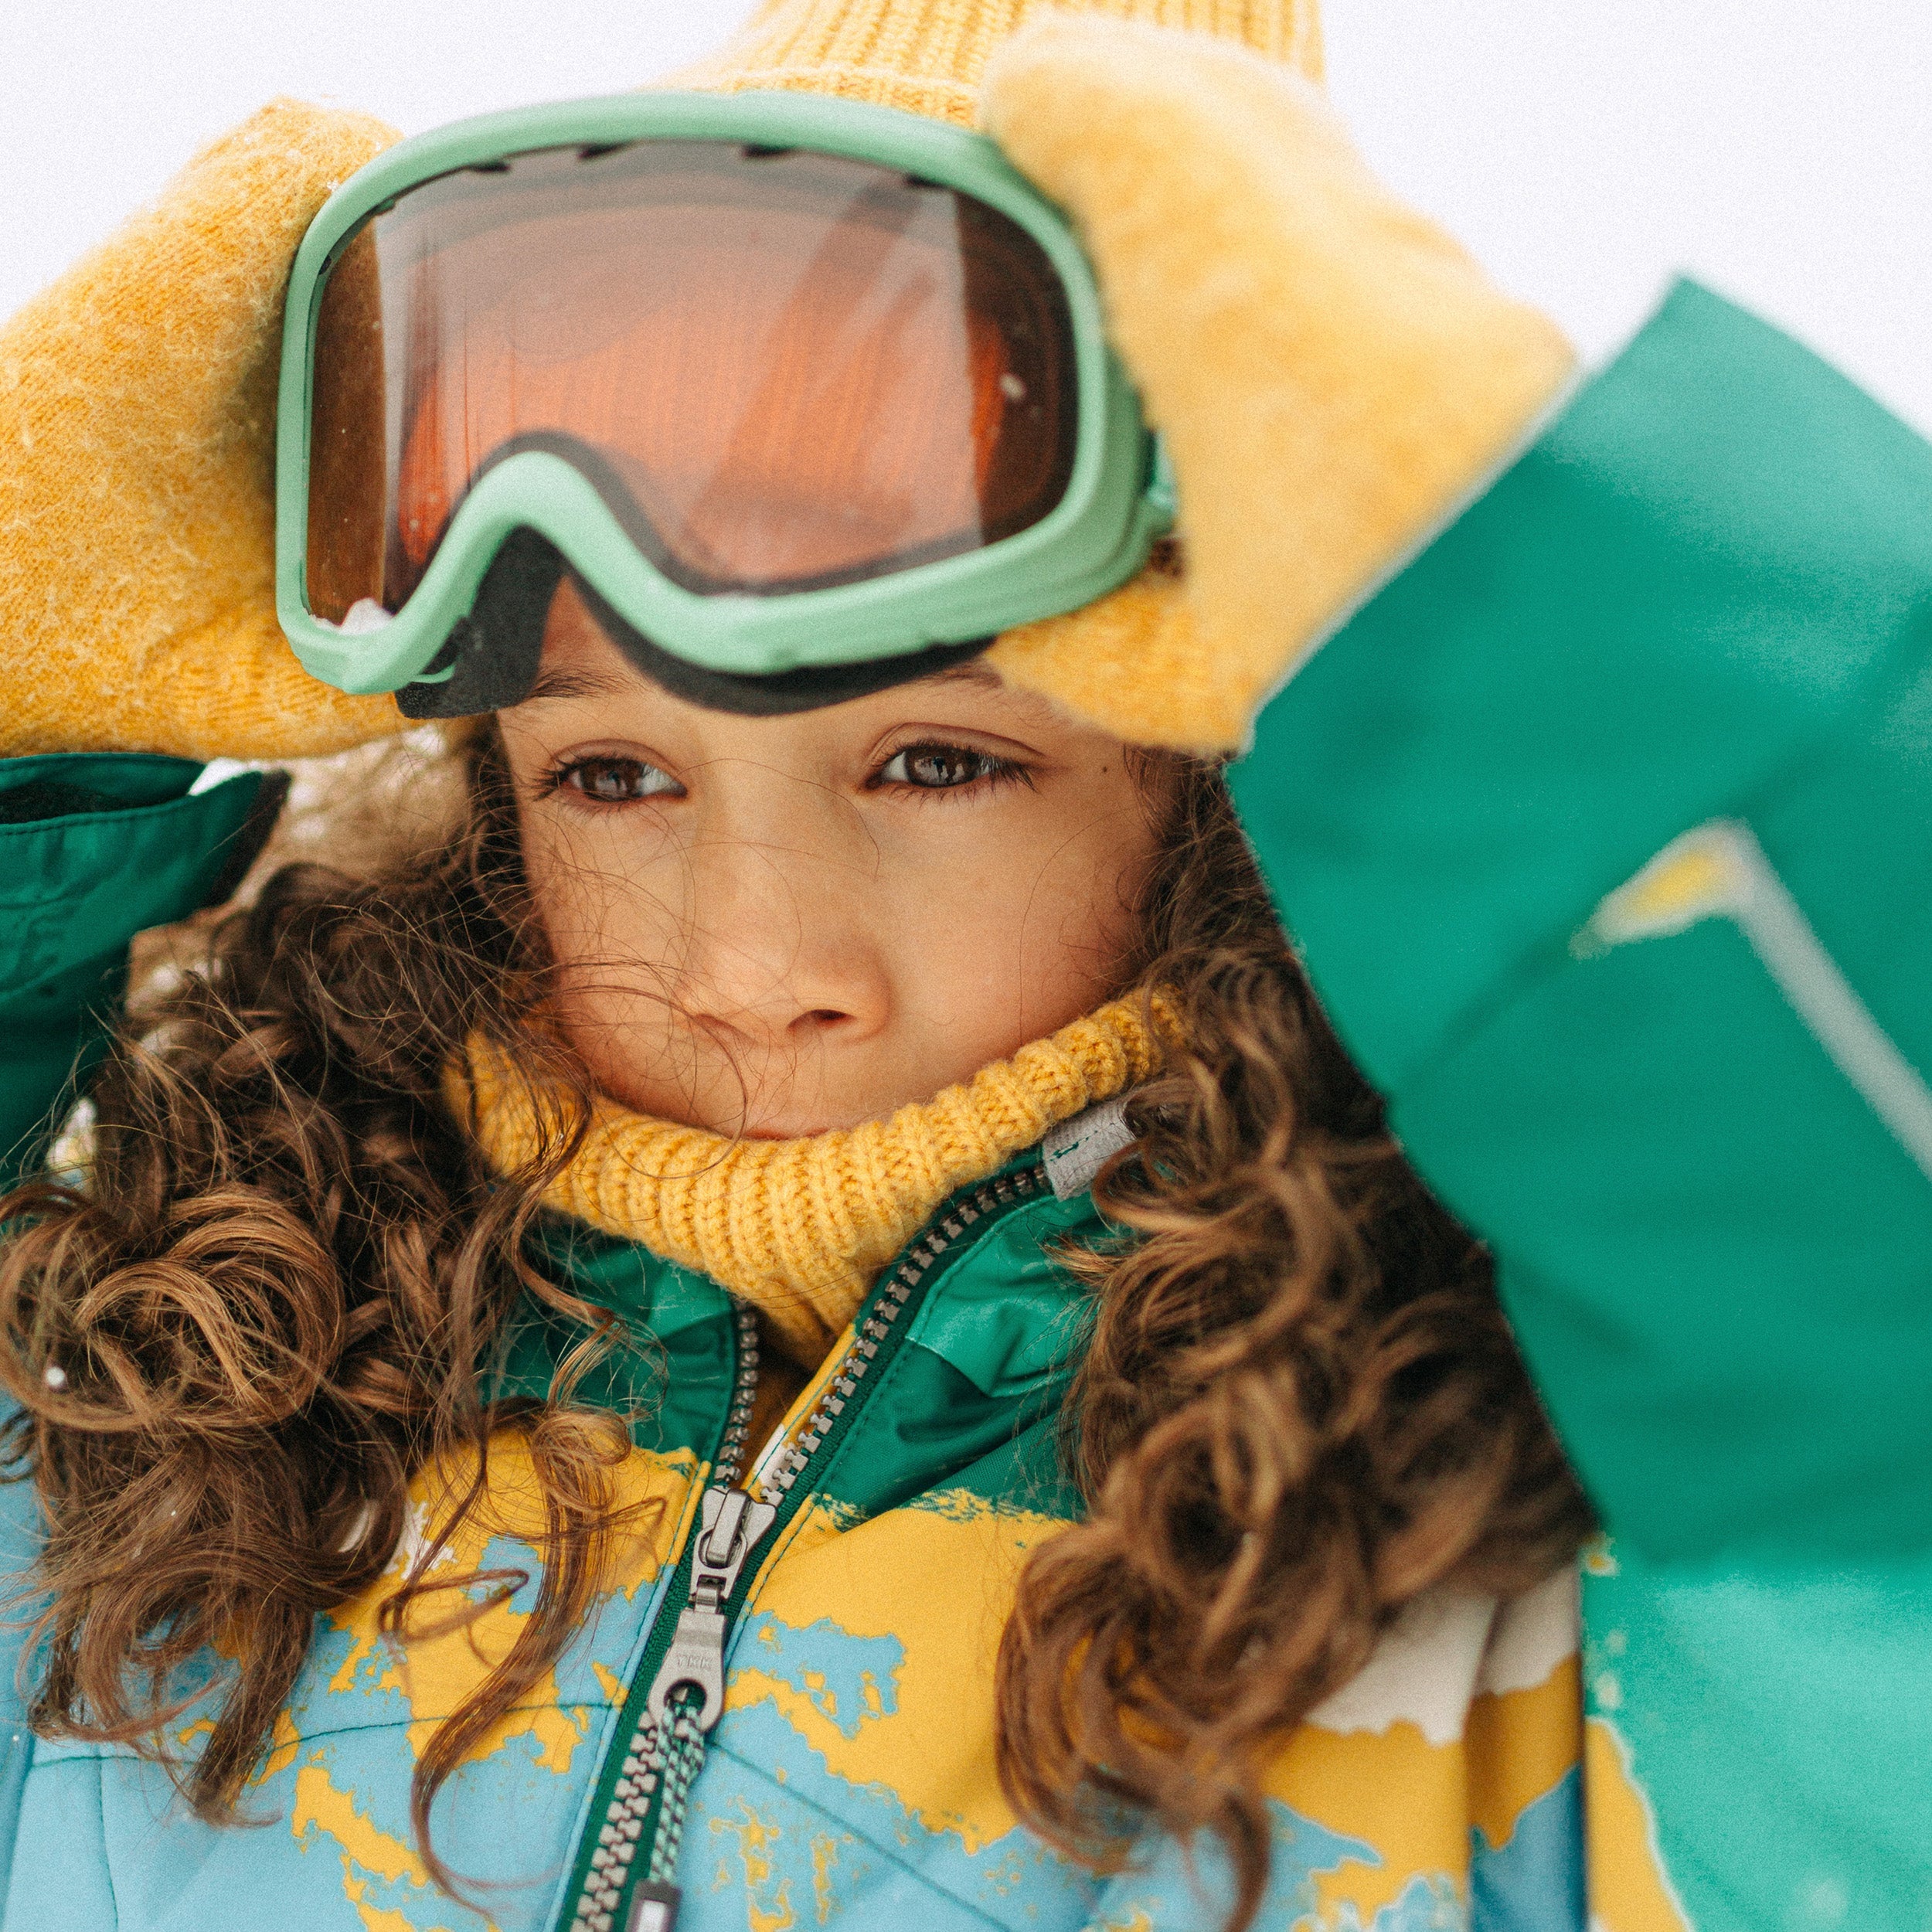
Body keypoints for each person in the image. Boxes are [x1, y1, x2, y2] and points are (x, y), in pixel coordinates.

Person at [0, 4, 1925, 1932]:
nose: (748, 968)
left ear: (1212, 810)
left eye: (937, 760)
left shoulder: (1545, 1557)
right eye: (612, 772)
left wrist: (1552, 654)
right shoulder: (150, 1437)